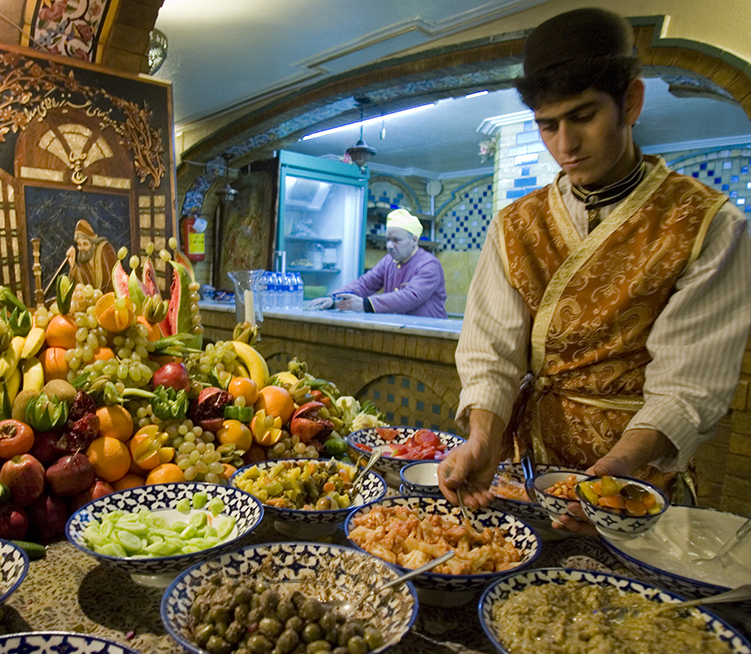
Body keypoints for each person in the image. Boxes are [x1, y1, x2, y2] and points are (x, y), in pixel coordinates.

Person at [437, 8, 751, 535]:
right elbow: (491, 351)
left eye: (583, 116)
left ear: (630, 102)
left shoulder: (707, 225)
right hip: (528, 469)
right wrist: (483, 441)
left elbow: (688, 385)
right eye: (547, 125)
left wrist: (617, 473)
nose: (565, 145)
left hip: (635, 482)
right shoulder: (514, 224)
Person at [308, 208, 447, 318]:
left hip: (429, 336)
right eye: (388, 240)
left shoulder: (429, 264)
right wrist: (333, 298)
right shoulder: (388, 261)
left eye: (396, 240)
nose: (390, 246)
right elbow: (364, 284)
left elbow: (411, 296)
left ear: (414, 240)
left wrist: (366, 304)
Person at [65, 218, 120, 293]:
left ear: (93, 243)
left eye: (85, 244)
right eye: (79, 245)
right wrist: (72, 265)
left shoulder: (105, 250)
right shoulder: (82, 258)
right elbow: (78, 292)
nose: (82, 248)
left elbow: (115, 279)